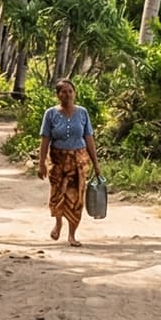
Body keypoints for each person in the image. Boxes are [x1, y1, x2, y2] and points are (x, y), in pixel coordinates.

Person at [37, 78, 101, 246]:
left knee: (76, 198)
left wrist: (96, 163)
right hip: (58, 160)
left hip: (78, 160)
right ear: (58, 95)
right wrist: (41, 163)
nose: (67, 95)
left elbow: (89, 138)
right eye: (63, 92)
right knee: (57, 195)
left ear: (74, 93)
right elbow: (45, 139)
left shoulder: (82, 113)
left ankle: (72, 234)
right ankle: (58, 223)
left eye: (70, 91)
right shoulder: (50, 114)